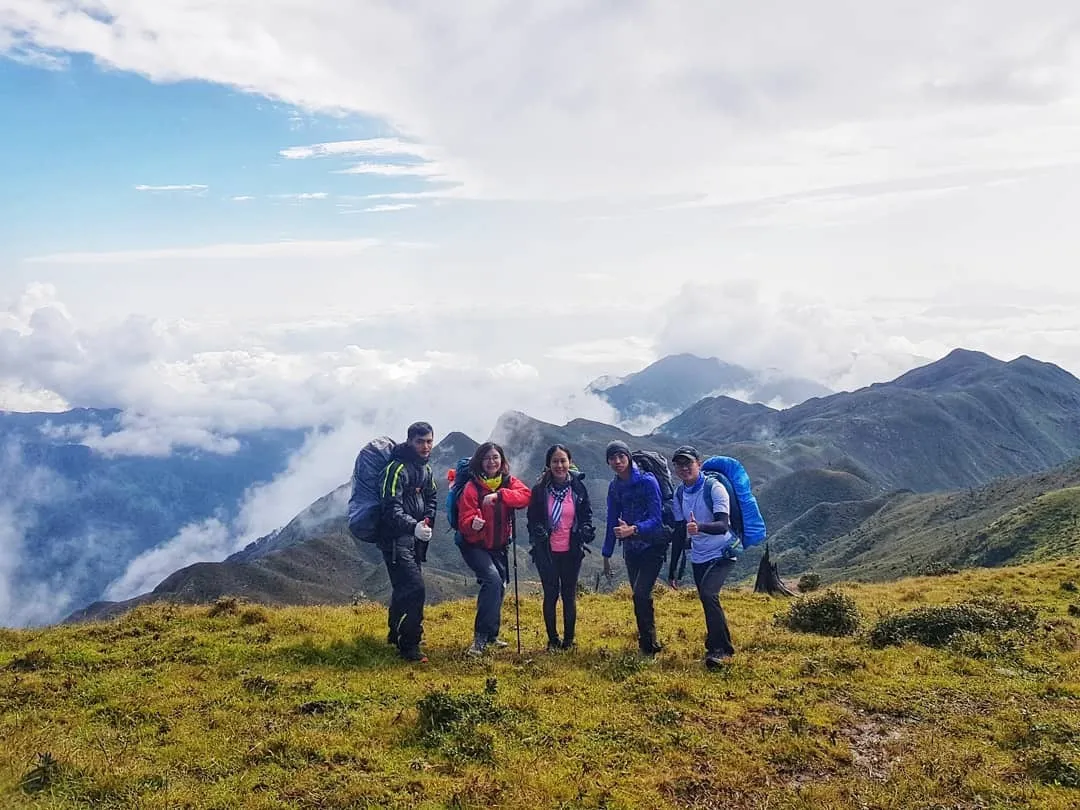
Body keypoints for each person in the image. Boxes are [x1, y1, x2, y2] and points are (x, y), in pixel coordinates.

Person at [456, 441, 532, 655]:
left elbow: (525, 496)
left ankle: (491, 636)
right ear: (480, 461)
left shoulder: (507, 482)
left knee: (499, 586)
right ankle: (479, 639)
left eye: (495, 457)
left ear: (502, 461)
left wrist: (500, 495)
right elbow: (464, 519)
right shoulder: (472, 487)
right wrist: (473, 522)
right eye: (487, 458)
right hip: (475, 545)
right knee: (492, 581)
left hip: (498, 546)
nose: (491, 462)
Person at [669, 445, 739, 668]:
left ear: (699, 463)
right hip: (699, 555)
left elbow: (722, 525)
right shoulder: (680, 493)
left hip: (723, 551)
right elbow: (681, 531)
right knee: (707, 599)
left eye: (688, 463)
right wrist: (674, 570)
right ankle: (719, 644)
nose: (684, 468)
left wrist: (698, 527)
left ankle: (719, 650)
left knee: (709, 595)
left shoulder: (715, 489)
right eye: (679, 464)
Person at [526, 444, 595, 651]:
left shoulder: (577, 487)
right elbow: (532, 518)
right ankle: (553, 639)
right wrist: (538, 530)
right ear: (548, 464)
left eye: (563, 461)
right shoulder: (540, 490)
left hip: (571, 551)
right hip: (546, 552)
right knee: (550, 594)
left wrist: (585, 529)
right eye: (555, 461)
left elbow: (586, 514)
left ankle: (569, 640)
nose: (559, 465)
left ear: (570, 462)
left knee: (569, 594)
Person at [378, 421, 437, 663]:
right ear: (410, 441)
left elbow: (432, 495)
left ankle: (395, 633)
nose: (425, 446)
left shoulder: (426, 470)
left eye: (429, 441)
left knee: (404, 588)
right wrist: (414, 526)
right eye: (420, 441)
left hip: (414, 540)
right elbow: (390, 508)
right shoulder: (396, 469)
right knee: (415, 589)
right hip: (394, 541)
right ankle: (410, 645)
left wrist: (427, 521)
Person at [601, 440, 666, 656]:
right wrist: (606, 554)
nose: (617, 461)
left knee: (640, 594)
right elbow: (612, 519)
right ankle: (649, 642)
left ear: (628, 457)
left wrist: (634, 530)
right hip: (631, 550)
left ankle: (648, 647)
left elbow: (657, 519)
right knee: (640, 596)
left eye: (621, 456)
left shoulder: (648, 481)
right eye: (612, 458)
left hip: (652, 546)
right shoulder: (615, 486)